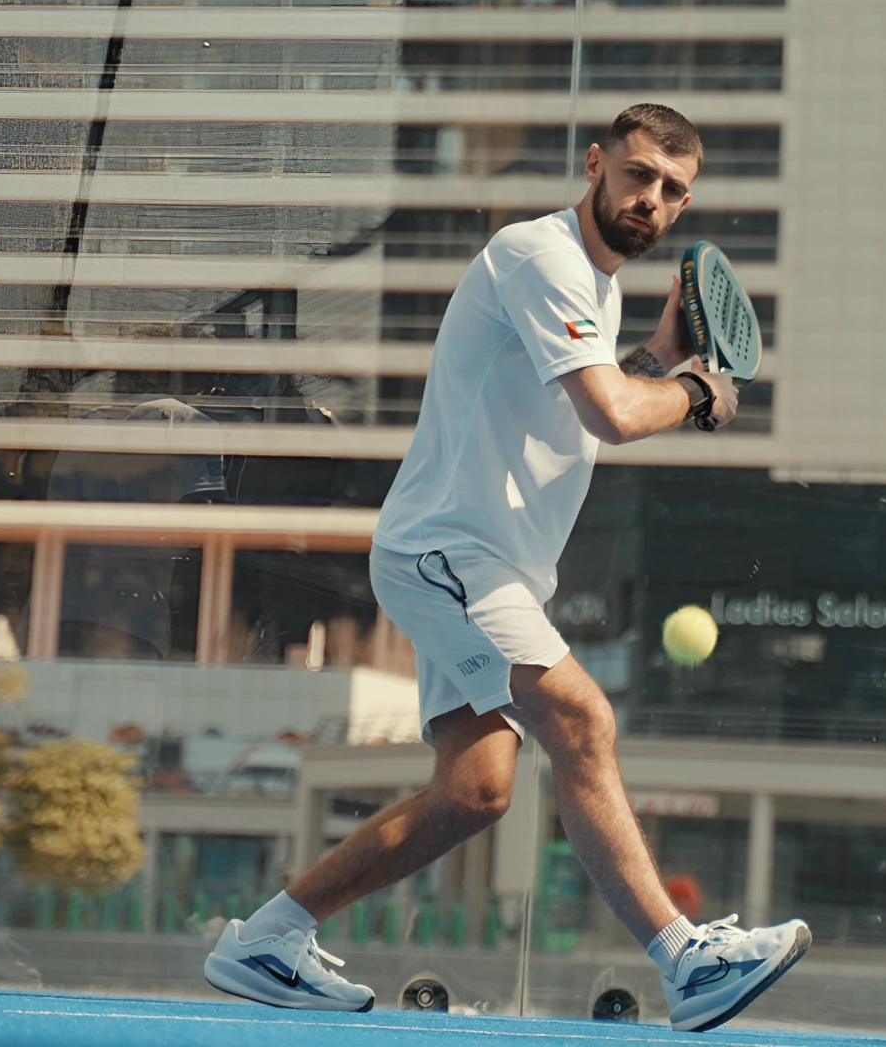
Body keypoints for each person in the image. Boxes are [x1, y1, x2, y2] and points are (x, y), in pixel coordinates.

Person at [203, 104, 810, 1033]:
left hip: (482, 568)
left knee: (476, 791)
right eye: (637, 175)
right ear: (595, 163)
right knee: (583, 719)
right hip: (448, 552)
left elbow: (582, 401)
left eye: (671, 189)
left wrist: (659, 358)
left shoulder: (594, 289)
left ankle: (267, 940)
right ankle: (686, 961)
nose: (649, 199)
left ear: (683, 206)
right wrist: (693, 390)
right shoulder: (540, 255)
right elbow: (613, 415)